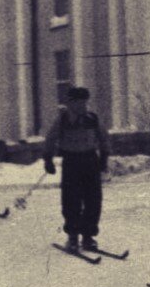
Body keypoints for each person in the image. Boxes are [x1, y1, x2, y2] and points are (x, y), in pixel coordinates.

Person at [44, 87, 109, 252]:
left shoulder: (92, 118)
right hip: (71, 161)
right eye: (76, 102)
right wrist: (48, 159)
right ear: (69, 103)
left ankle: (88, 237)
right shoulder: (63, 120)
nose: (81, 105)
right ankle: (72, 236)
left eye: (83, 102)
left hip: (90, 161)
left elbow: (103, 138)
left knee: (93, 200)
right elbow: (50, 139)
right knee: (71, 200)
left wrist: (104, 157)